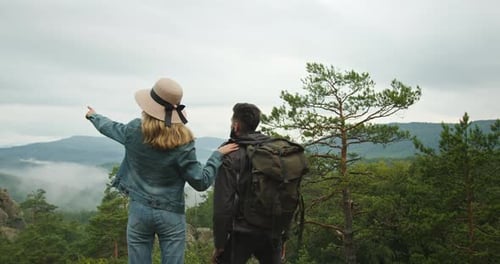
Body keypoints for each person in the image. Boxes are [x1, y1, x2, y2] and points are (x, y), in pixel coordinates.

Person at [85, 77, 238, 264]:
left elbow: (109, 127)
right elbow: (200, 182)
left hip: (139, 210)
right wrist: (217, 156)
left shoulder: (134, 129)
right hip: (170, 213)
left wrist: (93, 115)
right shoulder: (183, 140)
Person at [212, 103, 284, 264]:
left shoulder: (230, 154)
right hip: (271, 230)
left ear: (236, 126)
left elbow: (223, 205)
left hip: (242, 231)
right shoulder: (273, 150)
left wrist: (220, 244)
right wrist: (282, 234)